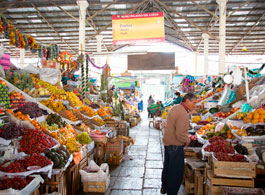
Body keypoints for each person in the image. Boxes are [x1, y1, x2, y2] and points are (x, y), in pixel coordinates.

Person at [161, 93, 197, 195]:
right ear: (187, 101)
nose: (194, 105)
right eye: (193, 103)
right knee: (176, 172)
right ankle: (171, 192)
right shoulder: (182, 113)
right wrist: (188, 140)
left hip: (168, 143)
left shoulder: (175, 107)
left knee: (168, 168)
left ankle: (164, 187)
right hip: (175, 145)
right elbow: (180, 134)